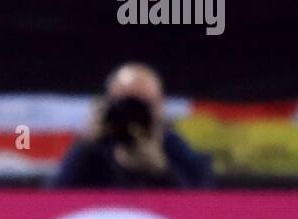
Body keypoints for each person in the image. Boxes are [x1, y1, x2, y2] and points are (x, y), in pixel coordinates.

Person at [53, 63, 213, 188]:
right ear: (108, 104)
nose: (133, 114)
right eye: (126, 104)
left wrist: (162, 170)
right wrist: (87, 143)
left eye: (142, 105)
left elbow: (201, 208)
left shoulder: (176, 149)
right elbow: (53, 201)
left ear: (159, 107)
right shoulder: (90, 150)